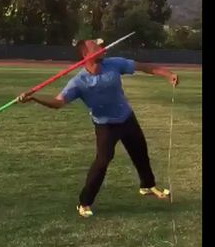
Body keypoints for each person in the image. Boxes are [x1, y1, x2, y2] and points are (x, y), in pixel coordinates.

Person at [17, 38, 179, 218]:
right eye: (97, 47)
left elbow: (145, 67)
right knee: (102, 161)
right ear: (86, 55)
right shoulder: (79, 82)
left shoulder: (115, 64)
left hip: (127, 118)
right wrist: (34, 98)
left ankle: (147, 185)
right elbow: (58, 103)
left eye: (102, 46)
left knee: (140, 152)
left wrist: (168, 74)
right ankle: (84, 202)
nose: (103, 49)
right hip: (105, 126)